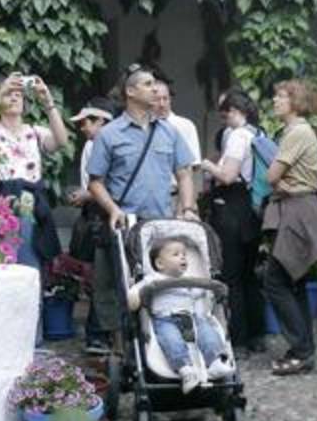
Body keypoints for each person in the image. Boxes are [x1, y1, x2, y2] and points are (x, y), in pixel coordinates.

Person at [84, 65, 198, 354]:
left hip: (160, 224)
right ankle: (121, 348)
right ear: (130, 92)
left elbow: (185, 173)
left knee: (160, 285)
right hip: (124, 224)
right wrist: (112, 210)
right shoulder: (109, 134)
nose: (155, 89)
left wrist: (187, 208)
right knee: (118, 286)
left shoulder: (169, 132)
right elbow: (95, 182)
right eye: (148, 84)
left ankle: (160, 345)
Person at [261, 80, 317, 376]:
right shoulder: (299, 131)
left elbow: (270, 175)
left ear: (294, 101)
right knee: (293, 283)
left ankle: (302, 351)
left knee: (276, 282)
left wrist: (278, 181)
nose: (275, 101)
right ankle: (302, 350)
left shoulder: (297, 133)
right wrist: (280, 181)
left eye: (280, 96)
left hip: (297, 210)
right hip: (298, 208)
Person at [0, 73, 70, 269]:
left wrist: (48, 101)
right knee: (3, 264)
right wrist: (1, 90)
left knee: (31, 261)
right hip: (0, 204)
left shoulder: (34, 131)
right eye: (9, 94)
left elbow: (61, 141)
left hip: (31, 204)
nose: (14, 97)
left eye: (19, 94)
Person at [200, 91, 268, 354]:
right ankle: (257, 334)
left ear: (234, 111)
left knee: (232, 275)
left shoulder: (238, 135)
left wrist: (207, 165)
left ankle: (237, 339)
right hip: (251, 207)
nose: (222, 117)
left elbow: (227, 176)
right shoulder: (257, 131)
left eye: (224, 111)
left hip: (232, 207)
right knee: (250, 274)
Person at [127, 236, 235, 394]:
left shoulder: (190, 280)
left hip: (192, 317)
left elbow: (204, 293)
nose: (183, 257)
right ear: (159, 264)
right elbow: (136, 292)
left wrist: (212, 288)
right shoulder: (153, 279)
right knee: (171, 340)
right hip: (165, 319)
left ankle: (215, 362)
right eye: (176, 254)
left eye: (184, 254)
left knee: (208, 332)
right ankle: (185, 369)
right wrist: (134, 294)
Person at [67, 97, 115, 349]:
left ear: (102, 121)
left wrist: (87, 194)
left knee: (104, 275)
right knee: (97, 275)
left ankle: (100, 332)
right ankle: (97, 333)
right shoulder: (90, 145)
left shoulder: (104, 143)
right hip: (95, 215)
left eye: (87, 121)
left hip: (106, 215)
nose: (83, 127)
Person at [154, 75, 202, 211]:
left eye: (165, 98)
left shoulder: (185, 125)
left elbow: (190, 170)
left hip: (176, 197)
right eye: (157, 99)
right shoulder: (143, 127)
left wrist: (184, 207)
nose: (162, 104)